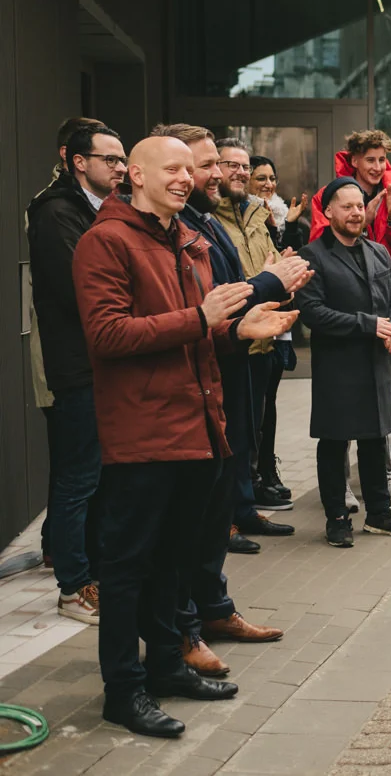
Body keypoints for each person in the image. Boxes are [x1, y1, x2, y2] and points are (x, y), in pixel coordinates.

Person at [74, 135, 297, 737]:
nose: (182, 178)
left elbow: (196, 335)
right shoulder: (105, 242)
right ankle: (123, 691)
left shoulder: (190, 240)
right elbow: (108, 336)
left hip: (201, 430)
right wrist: (203, 317)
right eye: (168, 169)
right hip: (144, 434)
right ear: (135, 176)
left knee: (175, 562)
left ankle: (167, 666)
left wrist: (236, 327)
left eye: (185, 169)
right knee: (127, 570)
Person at [161, 125, 300, 679]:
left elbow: (222, 300)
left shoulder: (199, 222)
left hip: (226, 365)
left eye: (217, 163)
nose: (216, 174)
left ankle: (213, 611)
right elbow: (207, 304)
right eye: (203, 165)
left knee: (218, 499)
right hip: (191, 383)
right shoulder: (165, 230)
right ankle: (184, 629)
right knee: (189, 518)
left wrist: (265, 297)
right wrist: (267, 283)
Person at [28, 122, 123, 624]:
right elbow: (81, 291)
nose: (121, 168)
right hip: (76, 366)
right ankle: (72, 587)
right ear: (78, 162)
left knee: (100, 476)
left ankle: (94, 573)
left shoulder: (102, 209)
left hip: (103, 362)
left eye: (123, 159)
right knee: (78, 478)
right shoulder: (57, 212)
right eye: (110, 159)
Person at [308, 130, 391, 511]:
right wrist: (363, 216)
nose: (378, 167)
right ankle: (342, 488)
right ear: (355, 159)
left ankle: (384, 481)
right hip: (346, 312)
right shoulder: (328, 196)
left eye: (383, 160)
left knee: (385, 408)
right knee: (341, 416)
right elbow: (319, 246)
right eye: (371, 159)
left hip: (387, 311)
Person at [296, 178, 391, 548]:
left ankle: (379, 513)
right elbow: (312, 312)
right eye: (346, 207)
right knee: (335, 441)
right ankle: (336, 517)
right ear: (329, 211)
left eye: (358, 206)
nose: (354, 213)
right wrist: (369, 324)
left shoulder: (378, 251)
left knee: (374, 437)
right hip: (338, 364)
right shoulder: (312, 255)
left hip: (378, 362)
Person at [210, 138, 294, 517]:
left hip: (263, 339)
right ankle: (228, 518)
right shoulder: (210, 219)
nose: (240, 172)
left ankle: (245, 509)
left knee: (250, 430)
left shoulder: (258, 214)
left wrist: (286, 278)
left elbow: (270, 262)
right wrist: (271, 279)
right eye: (232, 165)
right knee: (228, 435)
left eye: (245, 166)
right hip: (228, 338)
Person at [246, 154, 304, 506]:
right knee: (256, 408)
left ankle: (268, 469)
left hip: (279, 327)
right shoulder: (251, 219)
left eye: (272, 178)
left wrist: (292, 225)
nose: (268, 185)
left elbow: (291, 258)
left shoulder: (282, 214)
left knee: (270, 404)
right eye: (260, 178)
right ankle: (256, 475)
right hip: (255, 327)